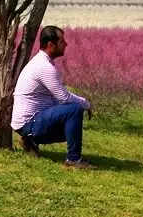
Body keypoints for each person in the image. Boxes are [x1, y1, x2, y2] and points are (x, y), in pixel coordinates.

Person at [11, 26, 94, 169]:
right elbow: (63, 97)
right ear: (51, 45)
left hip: (28, 122)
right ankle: (73, 160)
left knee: (73, 125)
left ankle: (30, 141)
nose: (66, 44)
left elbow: (57, 98)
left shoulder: (42, 62)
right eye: (62, 41)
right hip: (29, 122)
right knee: (74, 110)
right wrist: (85, 103)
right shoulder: (44, 67)